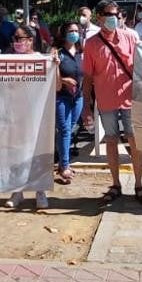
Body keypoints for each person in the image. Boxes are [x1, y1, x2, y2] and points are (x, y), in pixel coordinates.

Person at [81, 0, 142, 206]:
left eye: (115, 13)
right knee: (111, 141)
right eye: (108, 14)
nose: (112, 18)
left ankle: (139, 184)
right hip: (106, 100)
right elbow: (88, 78)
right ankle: (116, 184)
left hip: (130, 99)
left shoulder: (131, 37)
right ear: (99, 17)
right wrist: (86, 105)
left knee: (135, 141)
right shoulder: (91, 44)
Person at [5, 25, 52, 210]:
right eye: (15, 39)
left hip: (38, 115)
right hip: (15, 114)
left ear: (31, 40)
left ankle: (40, 190)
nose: (17, 42)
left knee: (39, 153)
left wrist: (54, 64)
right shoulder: (7, 59)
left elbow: (55, 86)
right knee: (16, 153)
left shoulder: (41, 60)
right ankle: (17, 191)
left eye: (20, 38)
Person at [53, 21, 84, 186]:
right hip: (61, 97)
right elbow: (52, 76)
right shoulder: (57, 52)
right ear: (64, 33)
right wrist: (64, 80)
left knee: (69, 129)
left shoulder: (80, 52)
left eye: (76, 30)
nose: (74, 33)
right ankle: (64, 165)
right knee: (64, 130)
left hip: (78, 97)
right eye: (71, 30)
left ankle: (63, 161)